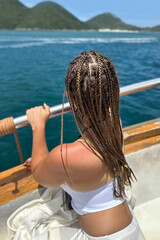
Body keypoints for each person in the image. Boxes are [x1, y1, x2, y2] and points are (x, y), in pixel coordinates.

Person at [26, 51, 145, 239]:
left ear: (72, 99)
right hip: (131, 229)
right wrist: (54, 161)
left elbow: (40, 176)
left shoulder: (65, 156)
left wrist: (38, 126)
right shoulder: (117, 126)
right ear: (113, 92)